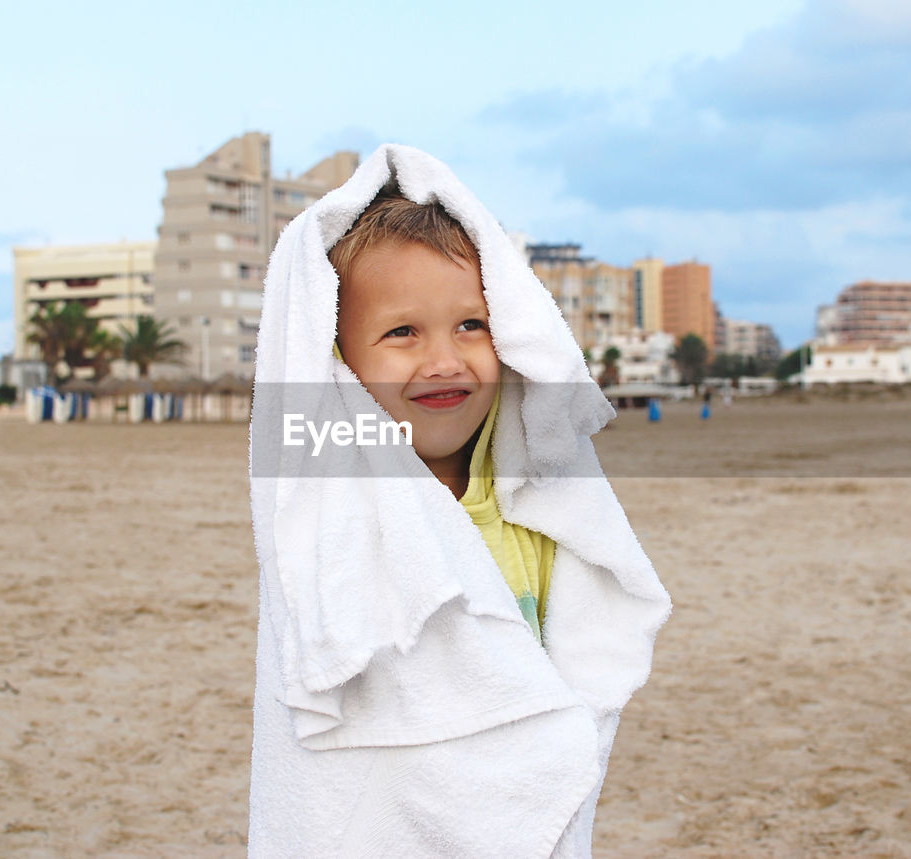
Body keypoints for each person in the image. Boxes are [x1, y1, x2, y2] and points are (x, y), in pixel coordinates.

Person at [249, 144, 671, 857]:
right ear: (339, 363)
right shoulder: (336, 515)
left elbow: (575, 667)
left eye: (470, 325)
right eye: (402, 332)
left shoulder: (537, 507)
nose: (445, 358)